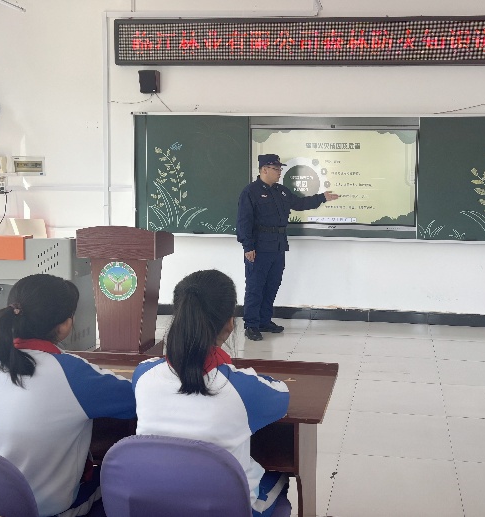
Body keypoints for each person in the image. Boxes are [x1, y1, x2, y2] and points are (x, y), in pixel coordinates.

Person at [0, 273, 137, 517]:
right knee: (120, 475)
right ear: (65, 324)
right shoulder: (71, 372)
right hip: (49, 509)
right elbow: (136, 399)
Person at [132, 269, 291, 517]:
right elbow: (282, 395)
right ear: (229, 324)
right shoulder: (241, 387)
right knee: (280, 476)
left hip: (154, 505)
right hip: (228, 509)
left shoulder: (142, 374)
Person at [236, 153, 339, 341]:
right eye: (276, 169)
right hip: (259, 247)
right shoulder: (250, 192)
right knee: (255, 287)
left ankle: (264, 321)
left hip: (278, 246)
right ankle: (251, 325)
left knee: (272, 285)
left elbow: (300, 203)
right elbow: (244, 221)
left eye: (280, 169)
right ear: (264, 169)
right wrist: (248, 246)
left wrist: (322, 197)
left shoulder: (281, 191)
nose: (279, 172)